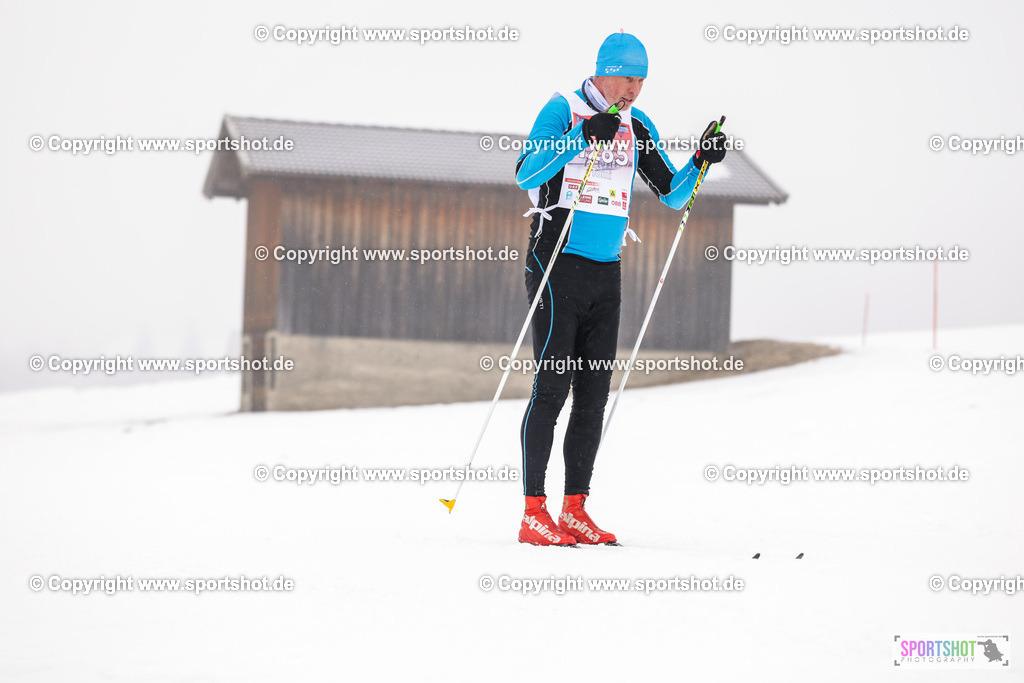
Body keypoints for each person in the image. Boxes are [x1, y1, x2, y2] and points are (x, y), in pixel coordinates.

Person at [513, 31, 727, 546]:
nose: (633, 91)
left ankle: (575, 509)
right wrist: (582, 138)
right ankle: (533, 512)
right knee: (553, 387)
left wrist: (701, 159)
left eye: (641, 82)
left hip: (606, 271)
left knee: (593, 396)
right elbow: (526, 174)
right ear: (604, 71)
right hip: (556, 261)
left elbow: (672, 194)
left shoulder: (638, 124)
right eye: (628, 79)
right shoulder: (563, 108)